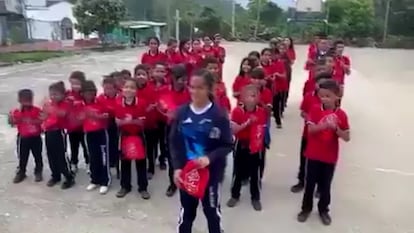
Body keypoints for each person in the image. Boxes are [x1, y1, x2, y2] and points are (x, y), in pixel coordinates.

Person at [170, 69, 233, 233]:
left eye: (200, 88)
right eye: (192, 87)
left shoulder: (218, 115)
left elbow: (227, 144)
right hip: (188, 173)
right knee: (186, 214)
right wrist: (177, 168)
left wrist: (209, 158)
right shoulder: (182, 112)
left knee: (212, 214)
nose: (194, 92)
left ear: (209, 89)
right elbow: (174, 142)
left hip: (210, 175)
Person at [297, 79, 350, 226]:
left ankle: (323, 210)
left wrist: (336, 129)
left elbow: (347, 137)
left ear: (337, 96)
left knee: (325, 185)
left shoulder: (342, 115)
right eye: (322, 96)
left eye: (328, 96)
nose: (324, 99)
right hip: (313, 154)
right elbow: (311, 130)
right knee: (309, 184)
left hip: (329, 156)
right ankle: (306, 208)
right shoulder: (315, 109)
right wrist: (325, 125)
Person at [227, 85, 268, 211]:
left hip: (255, 144)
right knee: (238, 171)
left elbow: (261, 130)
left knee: (255, 173)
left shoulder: (261, 112)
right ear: (242, 99)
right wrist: (247, 123)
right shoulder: (237, 111)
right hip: (241, 143)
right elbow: (234, 130)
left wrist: (258, 145)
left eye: (254, 96)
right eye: (248, 96)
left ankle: (255, 197)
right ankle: (235, 195)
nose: (251, 99)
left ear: (258, 98)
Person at [291, 72, 332, 193]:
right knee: (304, 158)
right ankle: (301, 181)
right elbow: (303, 112)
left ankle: (320, 186)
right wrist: (310, 118)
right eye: (319, 83)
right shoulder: (309, 96)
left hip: (325, 136)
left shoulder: (331, 99)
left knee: (322, 162)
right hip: (309, 134)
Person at [115, 78, 150, 199]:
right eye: (126, 87)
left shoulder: (142, 103)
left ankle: (143, 188)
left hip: (139, 135)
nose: (128, 90)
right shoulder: (118, 102)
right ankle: (125, 186)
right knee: (125, 162)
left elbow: (142, 123)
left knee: (141, 161)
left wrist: (130, 120)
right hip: (125, 135)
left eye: (132, 87)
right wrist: (130, 121)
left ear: (136, 90)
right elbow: (117, 123)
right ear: (122, 89)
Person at [161, 64, 191, 197]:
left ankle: (187, 181)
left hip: (187, 127)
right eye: (180, 80)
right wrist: (167, 113)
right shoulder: (165, 90)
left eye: (185, 80)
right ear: (173, 78)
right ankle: (173, 184)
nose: (183, 82)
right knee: (172, 155)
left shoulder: (190, 92)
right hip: (171, 126)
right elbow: (161, 106)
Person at [42, 81, 75, 189]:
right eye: (51, 94)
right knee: (50, 154)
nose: (53, 96)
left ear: (62, 94)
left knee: (62, 155)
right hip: (49, 132)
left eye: (56, 94)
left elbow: (63, 113)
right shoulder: (48, 104)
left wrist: (51, 109)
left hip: (60, 132)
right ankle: (55, 176)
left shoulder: (66, 103)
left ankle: (68, 176)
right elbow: (44, 115)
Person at [81, 80, 111, 195]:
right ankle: (95, 179)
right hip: (89, 134)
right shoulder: (81, 105)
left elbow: (106, 115)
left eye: (91, 92)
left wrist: (98, 116)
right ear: (82, 93)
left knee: (103, 158)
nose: (89, 95)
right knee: (93, 157)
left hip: (101, 133)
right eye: (86, 93)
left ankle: (105, 181)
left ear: (95, 93)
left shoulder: (100, 102)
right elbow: (78, 118)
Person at [9, 89, 43, 183]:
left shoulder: (37, 110)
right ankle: (21, 172)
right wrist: (11, 119)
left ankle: (38, 171)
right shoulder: (16, 112)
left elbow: (42, 121)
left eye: (30, 100)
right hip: (23, 138)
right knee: (22, 156)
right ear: (20, 100)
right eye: (25, 100)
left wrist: (31, 121)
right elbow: (12, 123)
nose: (28, 102)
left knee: (38, 155)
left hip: (36, 137)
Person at [134, 64, 158, 179]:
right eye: (138, 74)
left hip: (150, 124)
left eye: (143, 74)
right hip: (137, 125)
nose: (140, 77)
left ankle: (151, 168)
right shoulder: (132, 89)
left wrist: (147, 110)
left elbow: (154, 105)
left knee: (150, 148)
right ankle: (141, 167)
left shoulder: (152, 89)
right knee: (140, 147)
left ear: (148, 76)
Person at [97, 77, 120, 176]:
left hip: (117, 124)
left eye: (110, 88)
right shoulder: (100, 98)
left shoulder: (120, 97)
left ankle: (118, 162)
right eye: (106, 88)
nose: (108, 91)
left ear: (115, 89)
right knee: (108, 143)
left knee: (117, 143)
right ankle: (110, 161)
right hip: (106, 124)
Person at [66, 71, 88, 173]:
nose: (75, 86)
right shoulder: (67, 94)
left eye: (77, 84)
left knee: (86, 147)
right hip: (72, 127)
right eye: (73, 84)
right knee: (74, 147)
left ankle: (89, 163)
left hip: (84, 127)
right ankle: (74, 163)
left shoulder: (86, 94)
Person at [151, 62, 171, 170]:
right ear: (152, 72)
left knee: (164, 140)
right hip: (152, 118)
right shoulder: (149, 85)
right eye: (157, 71)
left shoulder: (168, 86)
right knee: (153, 140)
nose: (159, 73)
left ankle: (162, 159)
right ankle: (152, 161)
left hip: (164, 118)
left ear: (166, 73)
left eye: (162, 71)